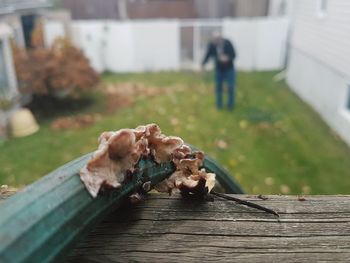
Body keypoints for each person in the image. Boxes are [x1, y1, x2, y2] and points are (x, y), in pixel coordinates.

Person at [202, 32, 236, 110]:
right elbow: (208, 55)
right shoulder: (212, 45)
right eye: (215, 40)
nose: (216, 41)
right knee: (218, 87)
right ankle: (219, 105)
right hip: (219, 69)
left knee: (230, 87)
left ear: (221, 39)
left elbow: (234, 55)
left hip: (229, 68)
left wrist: (227, 58)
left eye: (218, 39)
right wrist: (203, 64)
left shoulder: (228, 43)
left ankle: (230, 106)